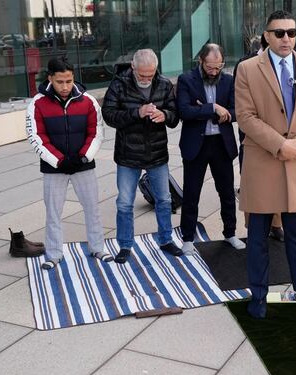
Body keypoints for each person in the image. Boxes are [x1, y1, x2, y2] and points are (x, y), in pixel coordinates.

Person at [235, 10, 296, 318]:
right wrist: (280, 144)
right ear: (266, 36)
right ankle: (259, 295)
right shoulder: (248, 69)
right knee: (258, 236)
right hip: (263, 161)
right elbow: (246, 117)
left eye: (291, 32)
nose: (286, 38)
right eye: (279, 33)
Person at [26, 57, 113, 269]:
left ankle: (98, 248)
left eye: (69, 81)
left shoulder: (88, 101)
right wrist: (59, 161)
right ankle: (54, 254)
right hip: (54, 168)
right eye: (60, 82)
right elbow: (36, 136)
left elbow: (96, 132)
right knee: (53, 212)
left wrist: (84, 157)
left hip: (83, 165)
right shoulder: (37, 103)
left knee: (92, 208)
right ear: (50, 79)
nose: (65, 87)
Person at [102, 49, 183, 264]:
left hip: (157, 153)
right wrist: (136, 113)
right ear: (133, 68)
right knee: (125, 203)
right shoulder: (119, 84)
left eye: (151, 74)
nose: (147, 79)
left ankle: (166, 240)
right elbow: (108, 115)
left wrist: (164, 115)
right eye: (142, 75)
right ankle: (125, 245)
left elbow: (175, 116)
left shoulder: (164, 84)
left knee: (164, 200)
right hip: (128, 154)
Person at [176, 43, 245, 254]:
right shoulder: (186, 79)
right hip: (196, 144)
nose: (214, 72)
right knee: (191, 194)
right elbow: (184, 111)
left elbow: (236, 111)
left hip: (221, 144)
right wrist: (213, 108)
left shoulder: (228, 80)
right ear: (201, 62)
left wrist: (211, 110)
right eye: (210, 67)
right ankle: (188, 237)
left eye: (218, 67)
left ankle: (230, 233)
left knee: (226, 192)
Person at [233, 35, 285, 242]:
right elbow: (241, 107)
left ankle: (276, 224)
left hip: (279, 136)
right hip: (253, 137)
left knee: (278, 183)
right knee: (253, 184)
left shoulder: (284, 65)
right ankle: (253, 226)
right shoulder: (245, 66)